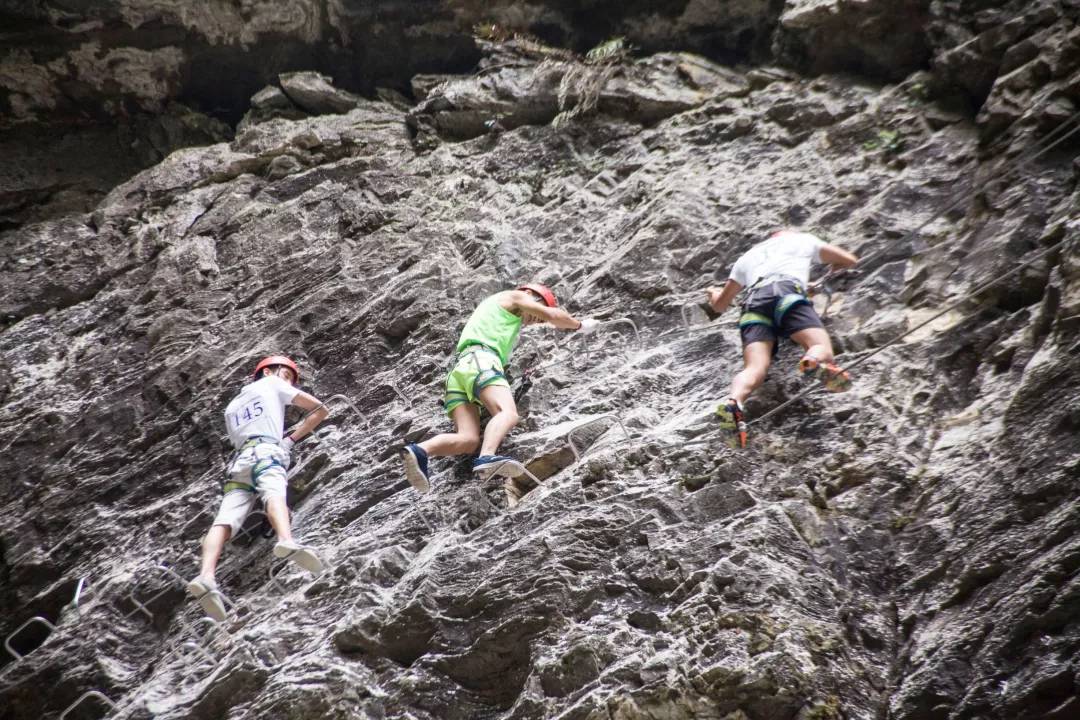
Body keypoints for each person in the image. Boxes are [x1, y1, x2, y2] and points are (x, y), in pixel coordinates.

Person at [400, 284, 598, 504]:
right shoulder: (515, 296)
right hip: (481, 361)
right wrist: (580, 325)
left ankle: (420, 451)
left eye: (538, 321)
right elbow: (552, 315)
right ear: (530, 294)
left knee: (468, 440)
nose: (536, 320)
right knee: (507, 413)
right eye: (538, 310)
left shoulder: (494, 314)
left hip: (458, 373)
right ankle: (487, 456)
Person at [187, 355, 330, 621]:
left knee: (225, 520)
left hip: (239, 461)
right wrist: (290, 439)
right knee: (274, 493)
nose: (287, 381)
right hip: (266, 450)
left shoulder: (232, 407)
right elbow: (320, 409)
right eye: (285, 375)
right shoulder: (273, 384)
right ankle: (286, 539)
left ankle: (206, 576)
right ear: (268, 372)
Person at [706, 230, 858, 448]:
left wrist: (713, 294)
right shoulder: (801, 240)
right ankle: (813, 360)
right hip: (786, 293)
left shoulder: (746, 257)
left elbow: (720, 305)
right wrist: (829, 272)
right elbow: (848, 260)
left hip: (753, 304)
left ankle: (734, 402)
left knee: (755, 367)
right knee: (818, 344)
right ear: (786, 234)